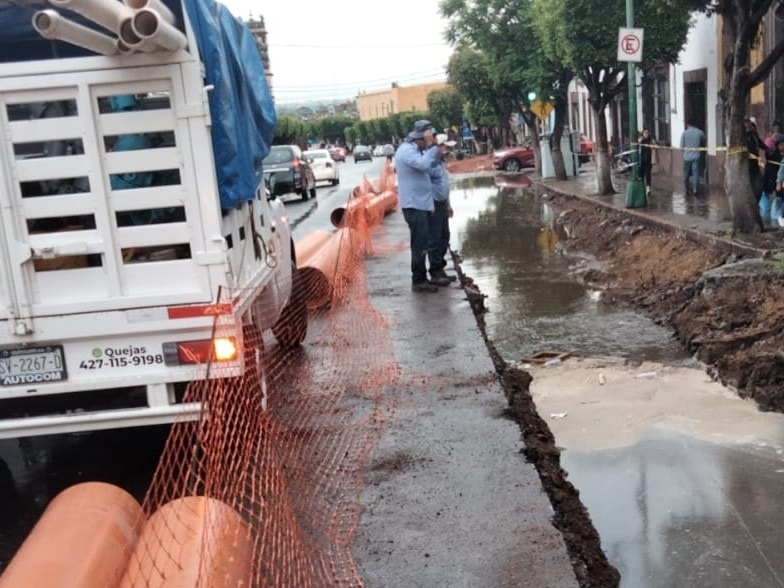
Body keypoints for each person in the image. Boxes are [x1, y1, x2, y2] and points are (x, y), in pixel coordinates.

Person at [394, 119, 447, 292]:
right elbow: (424, 165)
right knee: (419, 245)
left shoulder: (416, 150)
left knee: (424, 242)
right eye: (428, 139)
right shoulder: (407, 152)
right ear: (421, 138)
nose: (428, 144)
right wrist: (432, 146)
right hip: (414, 206)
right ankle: (418, 280)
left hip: (422, 205)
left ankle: (423, 277)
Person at [428, 134, 457, 285]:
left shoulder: (440, 163)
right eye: (445, 147)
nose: (448, 150)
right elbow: (426, 185)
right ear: (437, 147)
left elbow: (444, 185)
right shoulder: (431, 164)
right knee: (435, 238)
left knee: (444, 236)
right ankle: (435, 272)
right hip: (433, 204)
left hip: (442, 203)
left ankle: (441, 268)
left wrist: (448, 204)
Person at [680, 119, 706, 195]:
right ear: (695, 124)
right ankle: (695, 190)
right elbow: (703, 141)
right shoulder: (700, 132)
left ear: (688, 124)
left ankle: (687, 189)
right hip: (696, 156)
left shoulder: (684, 133)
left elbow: (681, 146)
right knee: (696, 173)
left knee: (686, 174)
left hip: (686, 157)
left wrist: (685, 153)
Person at [744, 116, 767, 201]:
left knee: (758, 183)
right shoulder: (743, 137)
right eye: (747, 127)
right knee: (752, 184)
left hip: (755, 164)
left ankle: (756, 200)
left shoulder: (754, 134)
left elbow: (760, 143)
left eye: (750, 126)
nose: (749, 128)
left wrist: (768, 149)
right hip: (747, 165)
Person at [637, 128, 657, 195]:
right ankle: (641, 188)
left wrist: (654, 145)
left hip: (648, 160)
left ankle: (648, 189)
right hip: (641, 160)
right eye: (645, 133)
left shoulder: (651, 140)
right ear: (642, 133)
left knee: (648, 174)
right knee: (641, 174)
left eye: (647, 133)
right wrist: (639, 141)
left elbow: (656, 146)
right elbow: (637, 145)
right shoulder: (641, 140)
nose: (646, 134)